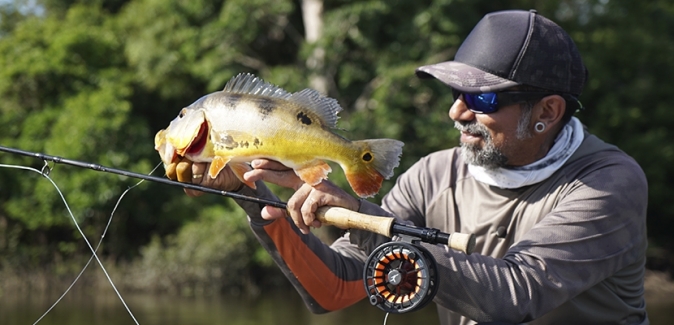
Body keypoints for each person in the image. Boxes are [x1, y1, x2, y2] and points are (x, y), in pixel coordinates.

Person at [168, 9, 649, 325]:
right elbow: (337, 288)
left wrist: (371, 219)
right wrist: (250, 195)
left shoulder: (608, 184)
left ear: (546, 112)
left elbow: (517, 294)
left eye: (481, 98)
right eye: (455, 94)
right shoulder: (435, 176)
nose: (456, 113)